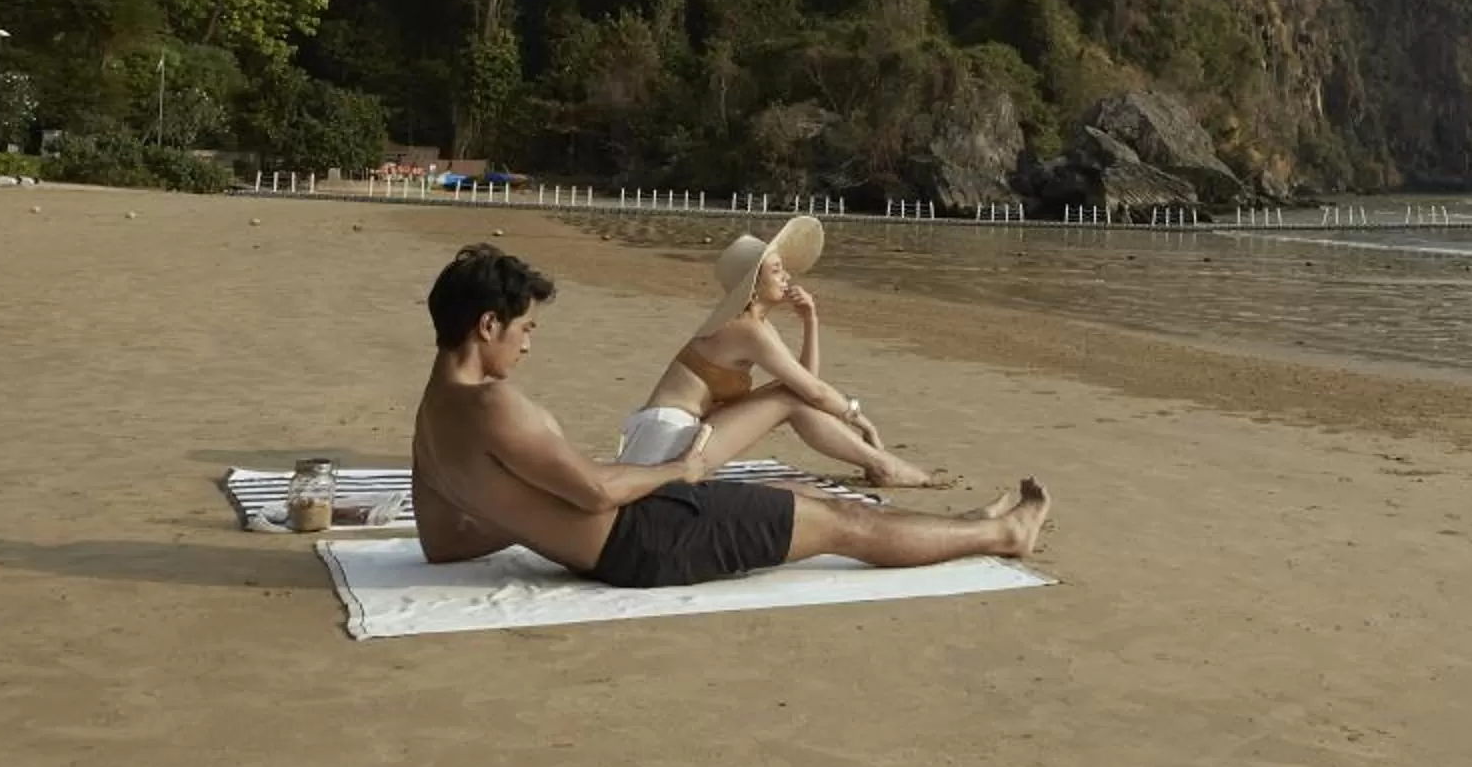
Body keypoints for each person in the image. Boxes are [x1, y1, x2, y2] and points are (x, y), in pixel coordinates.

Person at [409, 243, 1048, 588]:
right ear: (487, 323)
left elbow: (443, 544)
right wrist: (682, 469)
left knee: (795, 496)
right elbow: (599, 490)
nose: (528, 342)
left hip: (614, 546)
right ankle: (1001, 536)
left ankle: (966, 522)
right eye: (524, 328)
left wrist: (530, 522)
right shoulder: (491, 403)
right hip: (643, 542)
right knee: (840, 522)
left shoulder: (431, 419)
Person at [616, 215, 957, 490]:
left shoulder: (755, 326)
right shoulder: (745, 329)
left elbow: (807, 383)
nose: (787, 277)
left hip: (686, 431)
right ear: (753, 285)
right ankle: (884, 464)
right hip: (664, 441)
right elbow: (814, 392)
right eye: (776, 270)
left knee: (790, 394)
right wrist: (862, 420)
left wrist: (810, 321)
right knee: (789, 399)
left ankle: (880, 464)